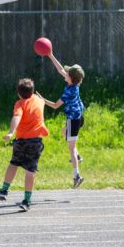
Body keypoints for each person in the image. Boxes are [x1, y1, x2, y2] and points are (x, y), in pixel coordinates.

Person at [0, 78, 49, 211]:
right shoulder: (38, 100)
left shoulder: (20, 104)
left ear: (19, 94)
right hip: (35, 141)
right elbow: (40, 100)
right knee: (30, 172)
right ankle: (26, 200)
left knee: (13, 164)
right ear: (32, 91)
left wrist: (11, 132)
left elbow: (16, 117)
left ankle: (4, 190)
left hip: (21, 141)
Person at [36, 52, 85, 189]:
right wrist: (50, 55)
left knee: (71, 148)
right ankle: (78, 156)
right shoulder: (75, 83)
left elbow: (55, 105)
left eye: (67, 72)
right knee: (64, 133)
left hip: (74, 120)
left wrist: (42, 100)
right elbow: (60, 69)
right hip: (78, 117)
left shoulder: (69, 91)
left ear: (70, 77)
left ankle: (77, 176)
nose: (65, 72)